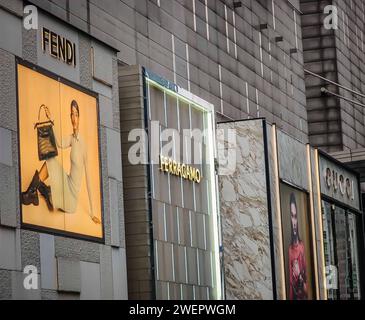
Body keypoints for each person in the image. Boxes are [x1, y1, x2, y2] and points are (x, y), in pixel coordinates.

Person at [21, 100, 101, 225]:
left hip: (71, 199)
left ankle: (39, 192)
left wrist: (92, 213)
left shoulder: (83, 145)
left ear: (79, 117)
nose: (74, 118)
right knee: (50, 159)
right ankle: (32, 193)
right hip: (67, 182)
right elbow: (58, 143)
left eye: (76, 114)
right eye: (71, 114)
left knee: (52, 198)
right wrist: (51, 120)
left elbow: (89, 181)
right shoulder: (71, 138)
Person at [288, 192, 308, 300]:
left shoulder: (302, 247)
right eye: (292, 216)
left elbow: (308, 290)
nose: (294, 222)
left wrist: (299, 275)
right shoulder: (289, 250)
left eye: (295, 216)